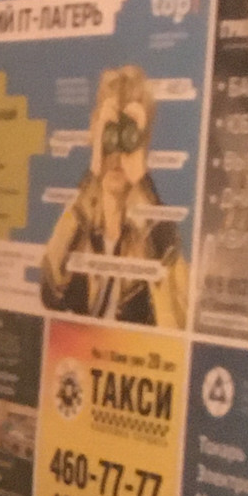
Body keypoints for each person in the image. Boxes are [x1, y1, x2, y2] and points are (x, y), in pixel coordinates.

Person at [39, 63, 188, 327]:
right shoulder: (80, 221)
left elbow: (178, 319)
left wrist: (142, 182)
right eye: (110, 134)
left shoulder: (156, 235)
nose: (117, 154)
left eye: (129, 136)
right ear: (95, 135)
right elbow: (50, 291)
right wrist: (94, 173)